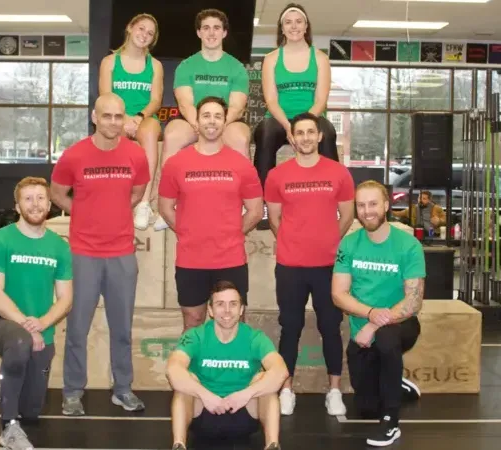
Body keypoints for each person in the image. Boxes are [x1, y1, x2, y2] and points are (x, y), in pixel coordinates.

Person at [50, 93, 150, 416]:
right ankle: (72, 391)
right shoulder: (74, 155)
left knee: (122, 329)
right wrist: (82, 212)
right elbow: (56, 193)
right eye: (107, 116)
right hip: (84, 254)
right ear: (94, 117)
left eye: (119, 116)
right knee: (77, 328)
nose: (113, 122)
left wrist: (117, 209)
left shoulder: (135, 154)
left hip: (122, 253)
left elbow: (138, 191)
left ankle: (122, 389)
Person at [263, 112, 355, 416]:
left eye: (310, 132)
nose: (305, 137)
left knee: (331, 327)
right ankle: (286, 390)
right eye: (299, 132)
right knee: (290, 328)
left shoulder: (338, 173)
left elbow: (348, 215)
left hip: (328, 266)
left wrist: (328, 240)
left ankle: (334, 391)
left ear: (320, 136)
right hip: (290, 266)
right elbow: (274, 219)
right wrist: (293, 241)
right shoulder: (277, 175)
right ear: (292, 138)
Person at [331, 180, 426, 447]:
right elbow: (338, 294)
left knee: (386, 340)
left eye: (373, 204)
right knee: (366, 406)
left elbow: (414, 301)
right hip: (362, 328)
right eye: (361, 205)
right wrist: (370, 313)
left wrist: (374, 323)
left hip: (401, 323)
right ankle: (396, 384)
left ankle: (390, 422)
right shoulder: (349, 244)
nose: (367, 211)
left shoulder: (408, 245)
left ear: (386, 205)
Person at [0, 176, 73, 450]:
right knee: (20, 342)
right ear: (17, 206)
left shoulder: (59, 246)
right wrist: (26, 325)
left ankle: (7, 385)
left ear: (49, 204)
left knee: (32, 410)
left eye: (40, 198)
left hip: (41, 329)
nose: (35, 204)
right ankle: (9, 429)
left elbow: (66, 299)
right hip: (3, 324)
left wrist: (42, 323)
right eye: (28, 199)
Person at [157, 96, 263, 331]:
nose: (212, 121)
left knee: (233, 324)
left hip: (230, 259)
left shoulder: (241, 164)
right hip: (191, 260)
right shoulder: (176, 163)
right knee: (193, 322)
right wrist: (188, 232)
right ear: (196, 121)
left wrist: (232, 234)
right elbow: (165, 207)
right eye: (206, 116)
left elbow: (255, 211)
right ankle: (192, 360)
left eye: (217, 116)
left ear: (225, 122)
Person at [154, 8, 251, 231]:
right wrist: (199, 125)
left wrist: (218, 125)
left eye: (216, 28)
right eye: (206, 28)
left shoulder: (236, 67)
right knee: (172, 134)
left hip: (226, 121)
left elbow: (237, 106)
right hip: (193, 121)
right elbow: (185, 103)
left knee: (240, 138)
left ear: (224, 33)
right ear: (198, 33)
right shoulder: (186, 66)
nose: (211, 33)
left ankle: (242, 202)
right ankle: (168, 204)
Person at [166, 280, 287, 450]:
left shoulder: (255, 338)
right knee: (185, 382)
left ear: (241, 309)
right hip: (204, 411)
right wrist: (205, 395)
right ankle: (178, 444)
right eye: (220, 304)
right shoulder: (195, 336)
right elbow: (173, 370)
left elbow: (281, 371)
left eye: (233, 304)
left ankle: (272, 445)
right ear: (210, 310)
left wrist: (245, 394)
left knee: (264, 380)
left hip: (244, 411)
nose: (227, 310)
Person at [253, 3, 338, 229]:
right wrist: (288, 126)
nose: (294, 26)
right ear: (281, 28)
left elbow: (320, 99)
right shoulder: (271, 59)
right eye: (288, 22)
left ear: (306, 26)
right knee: (265, 132)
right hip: (279, 118)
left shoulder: (320, 58)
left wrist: (304, 127)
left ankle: (332, 202)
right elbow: (271, 100)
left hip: (312, 116)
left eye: (298, 21)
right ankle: (264, 204)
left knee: (328, 132)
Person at [99, 13, 165, 231]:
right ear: (130, 28)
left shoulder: (155, 65)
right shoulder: (109, 62)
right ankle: (113, 200)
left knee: (150, 133)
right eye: (141, 29)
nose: (144, 35)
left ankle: (144, 203)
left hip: (144, 118)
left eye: (150, 33)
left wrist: (138, 117)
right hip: (116, 116)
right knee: (110, 135)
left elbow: (155, 100)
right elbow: (105, 96)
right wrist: (123, 118)